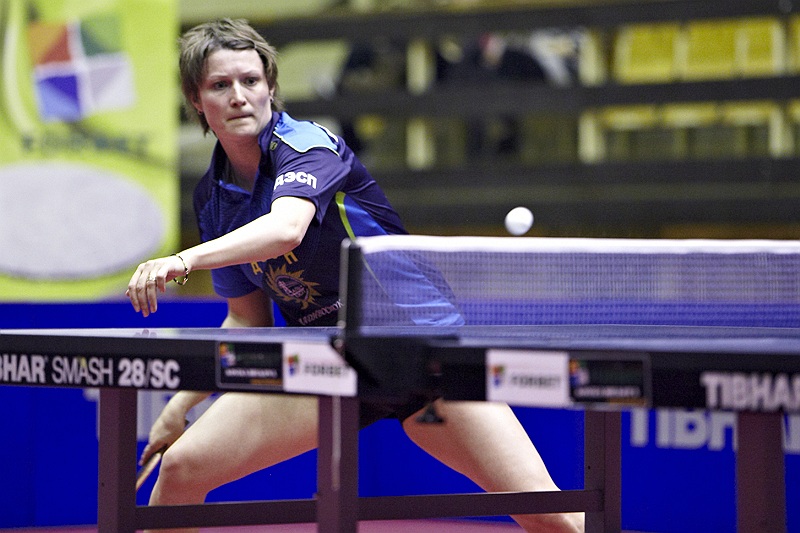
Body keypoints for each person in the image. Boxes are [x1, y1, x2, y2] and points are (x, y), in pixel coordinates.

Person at [126, 18, 583, 533]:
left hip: (419, 350)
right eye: (219, 85)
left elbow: (286, 229)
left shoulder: (309, 145)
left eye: (250, 80)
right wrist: (182, 404)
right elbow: (247, 320)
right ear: (195, 99)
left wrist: (183, 260)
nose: (238, 96)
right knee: (182, 467)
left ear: (270, 86)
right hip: (329, 362)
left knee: (551, 517)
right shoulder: (214, 198)